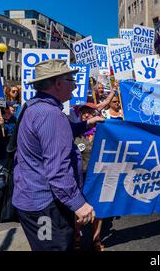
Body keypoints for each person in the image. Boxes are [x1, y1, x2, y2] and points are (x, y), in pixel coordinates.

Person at [12, 59, 103, 251]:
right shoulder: (50, 114)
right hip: (44, 206)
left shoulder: (35, 107)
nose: (76, 85)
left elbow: (59, 133)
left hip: (34, 200)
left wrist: (87, 123)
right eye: (71, 80)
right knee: (54, 248)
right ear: (58, 83)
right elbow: (57, 170)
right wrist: (78, 203)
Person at [74, 103, 105, 251]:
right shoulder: (76, 134)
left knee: (98, 210)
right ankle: (77, 239)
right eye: (83, 113)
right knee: (78, 210)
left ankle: (96, 239)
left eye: (90, 112)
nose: (86, 115)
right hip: (80, 178)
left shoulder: (104, 132)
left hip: (99, 177)